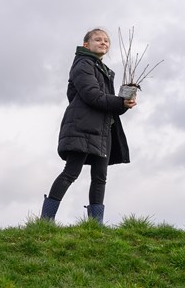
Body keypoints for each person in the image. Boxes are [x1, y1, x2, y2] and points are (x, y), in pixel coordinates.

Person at [41, 28, 137, 224]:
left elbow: (108, 106)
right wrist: (119, 102)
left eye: (106, 41)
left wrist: (124, 104)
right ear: (86, 45)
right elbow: (92, 96)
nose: (103, 43)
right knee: (71, 172)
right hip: (82, 127)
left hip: (103, 129)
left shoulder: (103, 70)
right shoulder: (83, 64)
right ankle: (45, 221)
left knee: (100, 177)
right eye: (98, 40)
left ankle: (95, 226)